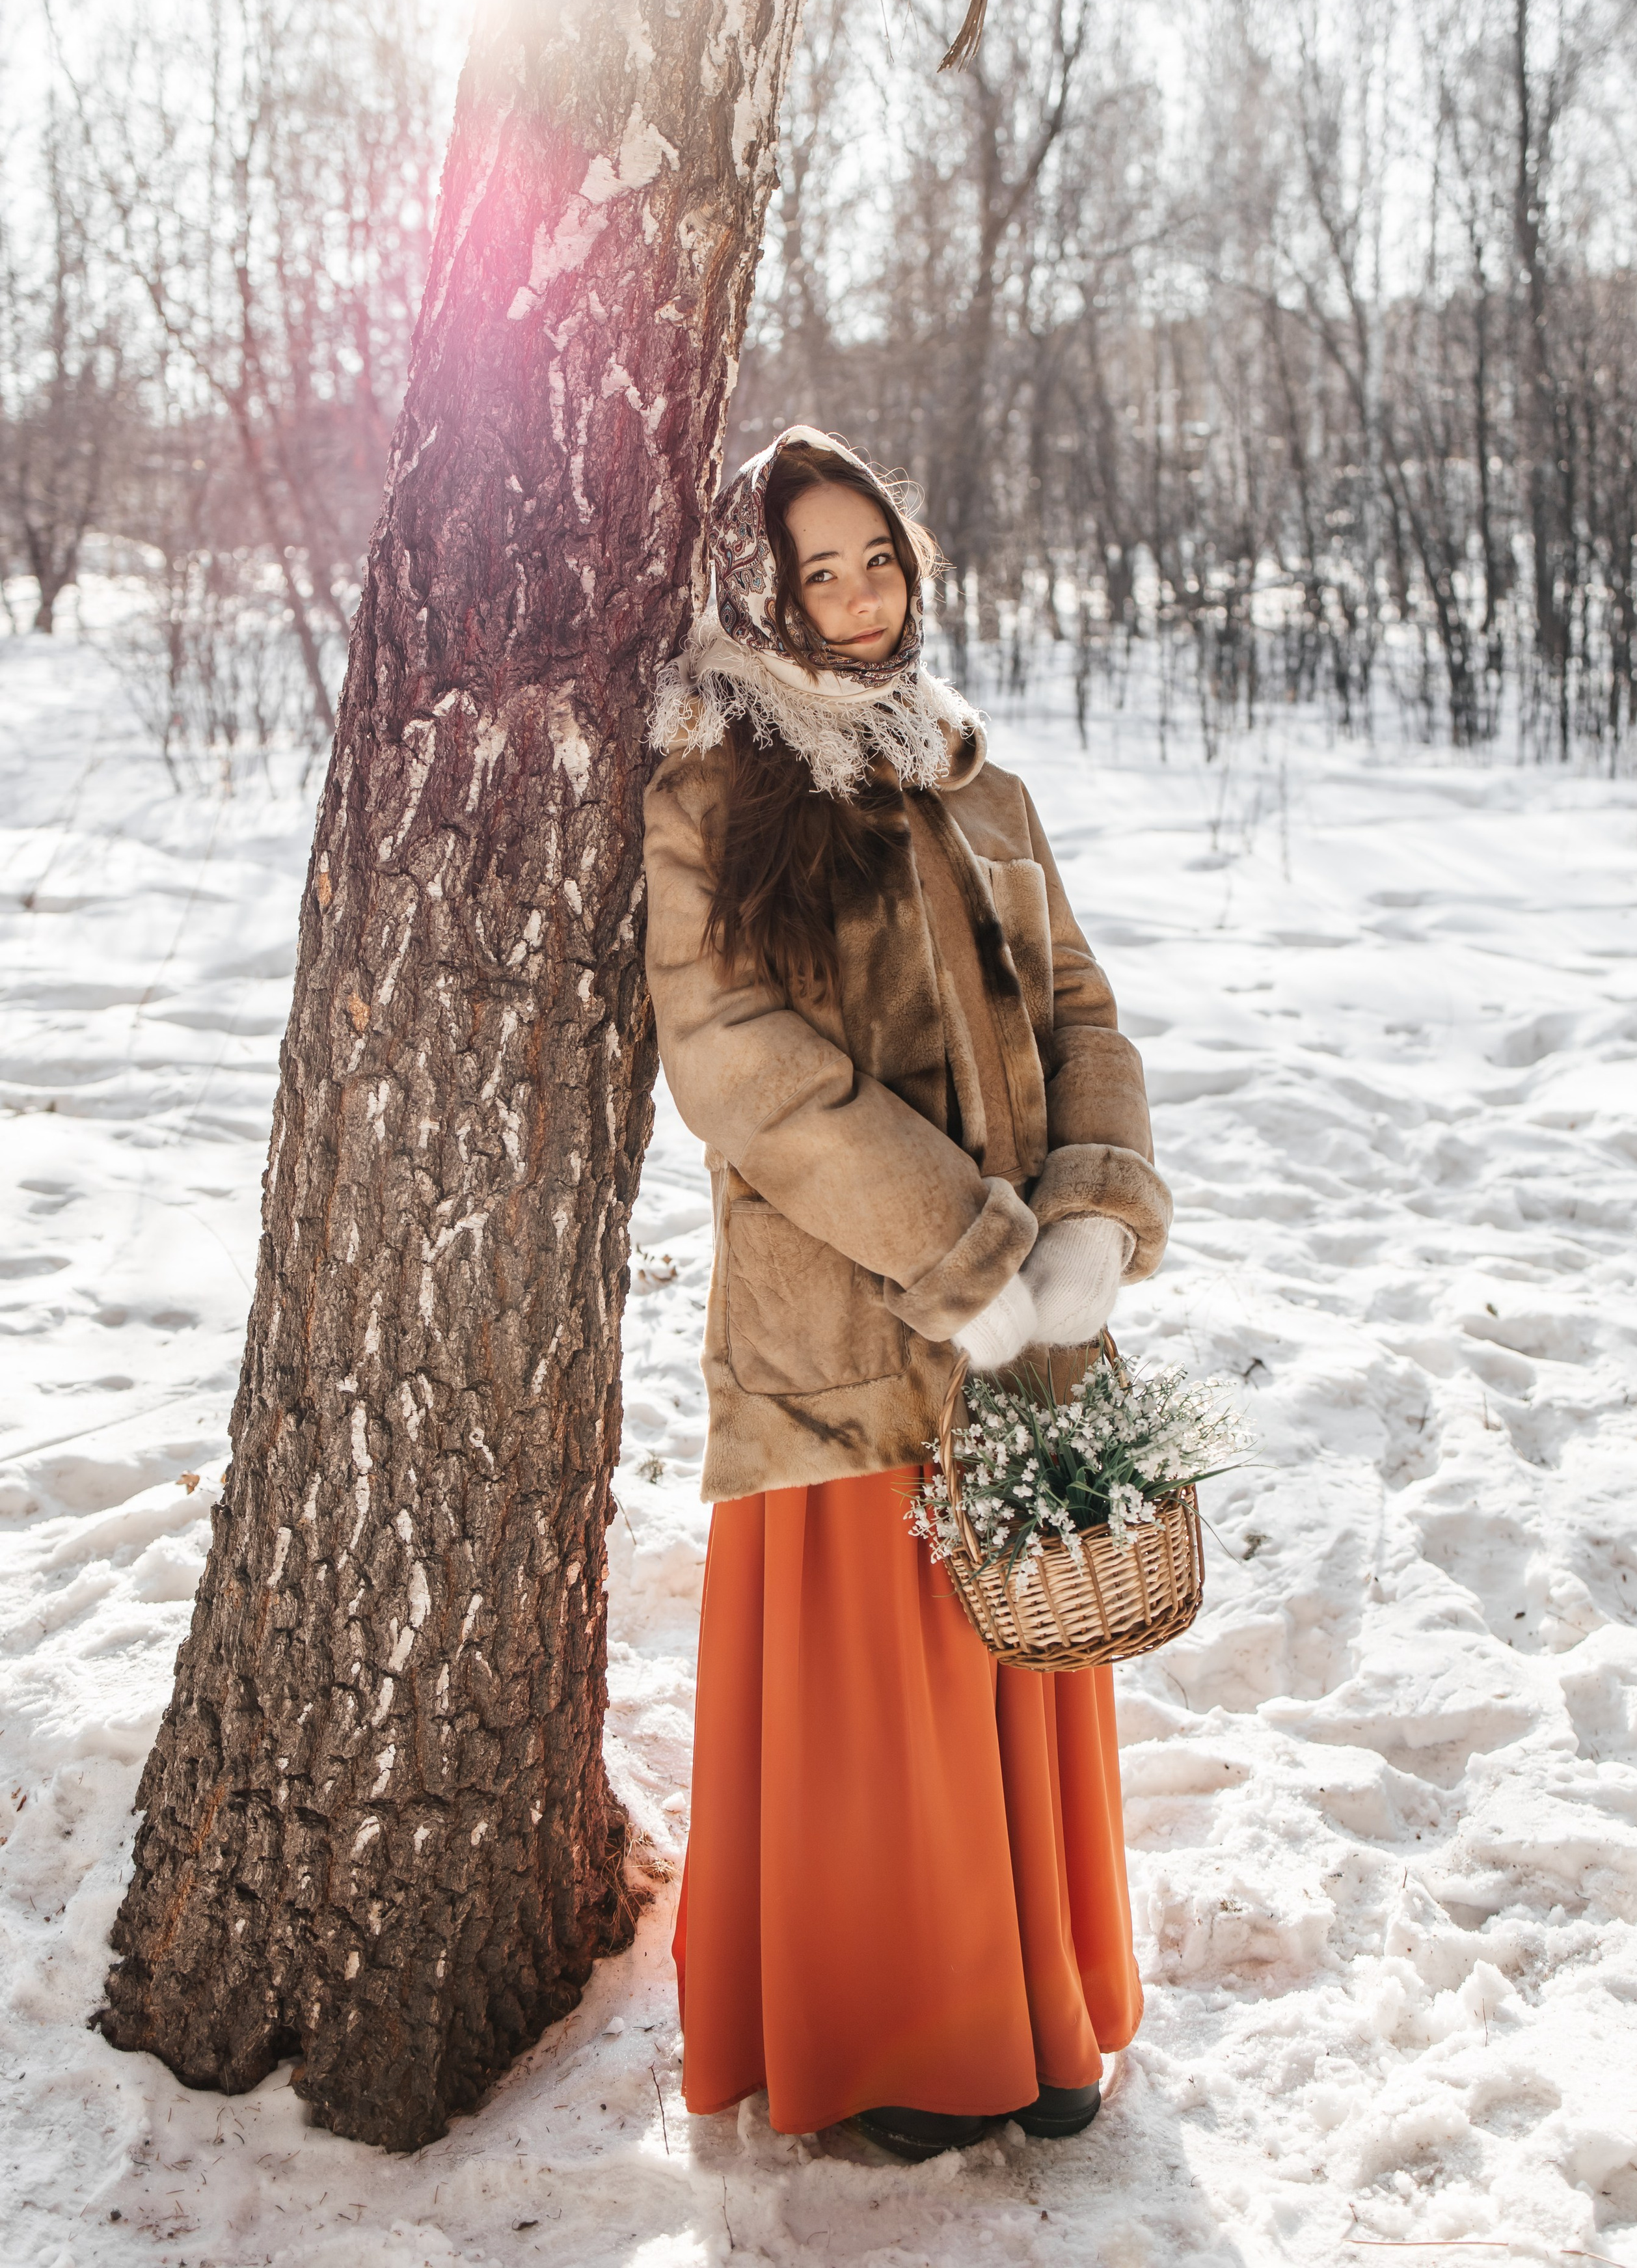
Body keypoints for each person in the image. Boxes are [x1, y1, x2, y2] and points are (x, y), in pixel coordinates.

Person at [642, 425, 1171, 2162]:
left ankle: (1040, 2009)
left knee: (1018, 1658)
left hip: (1030, 1316)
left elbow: (1082, 1009)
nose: (859, 599)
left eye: (878, 559)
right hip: (848, 1322)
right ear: (761, 591)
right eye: (819, 570)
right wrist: (961, 1254)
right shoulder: (718, 788)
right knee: (884, 1703)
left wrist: (1087, 1220)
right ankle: (893, 2045)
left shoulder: (977, 780)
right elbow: (734, 1060)